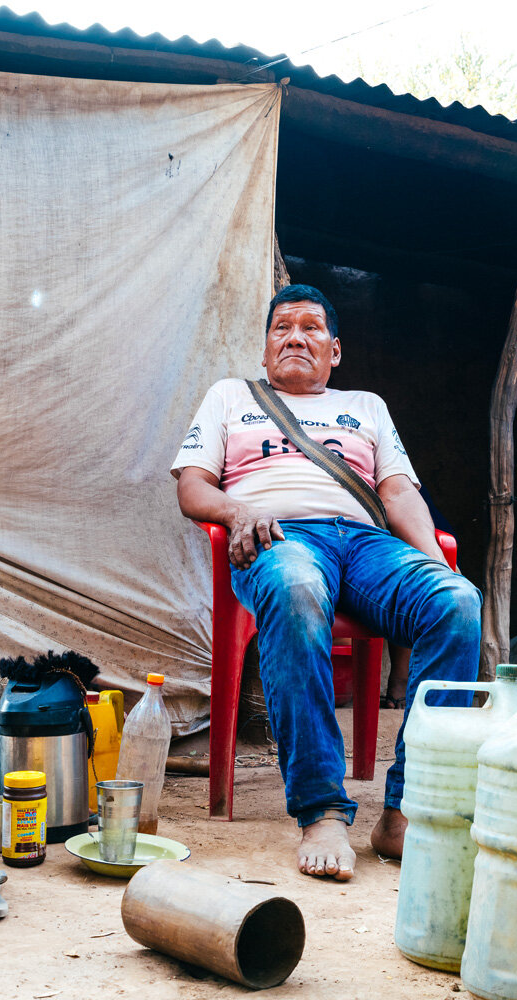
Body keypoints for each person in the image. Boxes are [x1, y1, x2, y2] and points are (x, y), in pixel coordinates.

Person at [172, 283, 481, 881]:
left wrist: (437, 564)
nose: (294, 336)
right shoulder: (230, 397)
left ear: (334, 350)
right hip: (280, 538)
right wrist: (238, 514)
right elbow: (193, 488)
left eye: (311, 327)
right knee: (293, 586)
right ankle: (322, 810)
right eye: (281, 327)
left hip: (366, 545)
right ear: (264, 351)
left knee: (457, 602)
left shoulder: (366, 406)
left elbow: (397, 493)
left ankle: (407, 809)